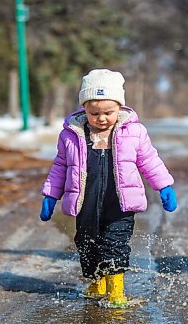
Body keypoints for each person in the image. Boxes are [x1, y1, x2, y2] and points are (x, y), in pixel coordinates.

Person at [40, 68, 178, 307]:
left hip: (120, 204)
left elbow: (149, 160)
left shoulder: (133, 132)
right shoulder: (72, 134)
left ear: (120, 108)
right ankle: (96, 283)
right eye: (94, 113)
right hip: (86, 203)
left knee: (114, 243)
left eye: (108, 112)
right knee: (87, 243)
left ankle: (116, 291)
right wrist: (51, 194)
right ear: (84, 108)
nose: (101, 118)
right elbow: (61, 165)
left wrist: (164, 185)